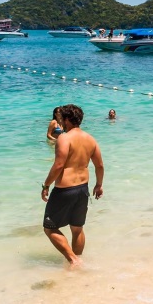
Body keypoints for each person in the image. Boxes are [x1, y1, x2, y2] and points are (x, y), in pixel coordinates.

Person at [41, 104, 104, 267]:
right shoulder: (90, 139)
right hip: (83, 189)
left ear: (67, 119)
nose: (60, 121)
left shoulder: (64, 138)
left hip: (65, 189)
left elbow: (59, 165)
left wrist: (46, 185)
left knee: (49, 227)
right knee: (77, 228)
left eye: (62, 118)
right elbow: (99, 166)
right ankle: (77, 260)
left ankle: (73, 259)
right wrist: (99, 185)